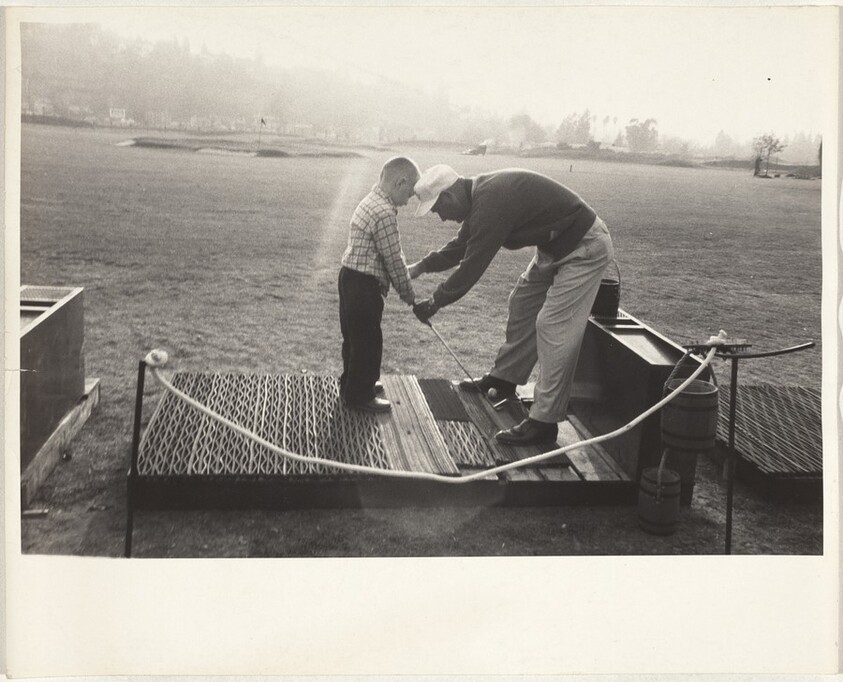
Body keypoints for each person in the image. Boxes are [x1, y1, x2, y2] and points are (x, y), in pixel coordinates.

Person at [409, 165, 613, 445]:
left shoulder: (490, 203)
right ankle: (504, 379)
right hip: (554, 248)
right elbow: (460, 246)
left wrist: (435, 302)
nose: (442, 217)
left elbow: (472, 265)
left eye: (437, 209)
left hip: (584, 248)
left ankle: (544, 422)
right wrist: (419, 267)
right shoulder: (480, 198)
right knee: (522, 301)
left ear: (449, 195)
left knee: (553, 326)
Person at [338, 156, 419, 412]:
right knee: (368, 341)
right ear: (400, 182)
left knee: (354, 338)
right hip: (364, 285)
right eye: (409, 193)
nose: (407, 201)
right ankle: (360, 396)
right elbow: (393, 258)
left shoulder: (370, 200)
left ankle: (352, 384)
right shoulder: (384, 213)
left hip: (349, 278)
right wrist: (408, 293)